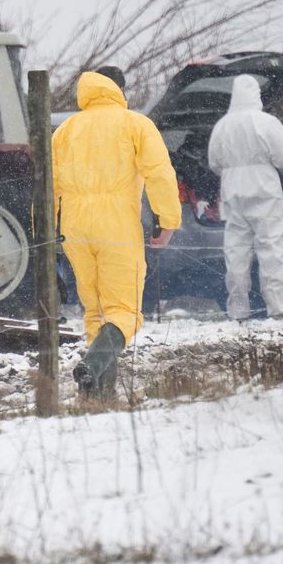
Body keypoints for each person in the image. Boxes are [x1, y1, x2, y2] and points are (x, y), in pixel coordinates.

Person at [52, 68, 182, 398]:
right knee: (125, 312)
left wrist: (47, 229)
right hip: (116, 225)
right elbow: (159, 173)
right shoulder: (134, 124)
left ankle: (98, 394)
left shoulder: (65, 131)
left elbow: (48, 185)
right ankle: (92, 365)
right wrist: (167, 220)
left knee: (95, 311)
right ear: (118, 90)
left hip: (74, 227)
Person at [208, 75, 283, 320]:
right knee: (271, 250)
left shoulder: (222, 125)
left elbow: (214, 162)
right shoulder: (266, 122)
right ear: (256, 94)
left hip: (233, 194)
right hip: (265, 192)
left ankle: (238, 310)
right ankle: (279, 309)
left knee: (235, 254)